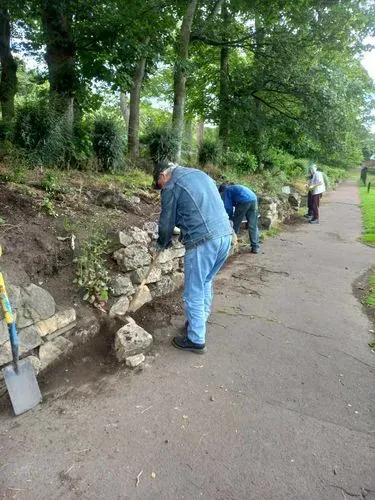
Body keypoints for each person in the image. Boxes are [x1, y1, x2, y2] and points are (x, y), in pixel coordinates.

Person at [155, 164, 232, 354]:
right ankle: (199, 320)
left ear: (163, 175)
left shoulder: (172, 184)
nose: (160, 189)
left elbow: (166, 221)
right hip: (225, 235)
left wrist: (163, 243)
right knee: (205, 281)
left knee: (193, 291)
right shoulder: (200, 175)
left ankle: (196, 339)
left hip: (203, 241)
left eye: (159, 185)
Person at [218, 183, 260, 254]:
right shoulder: (235, 188)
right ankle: (255, 247)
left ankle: (232, 245)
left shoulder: (227, 191)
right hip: (254, 199)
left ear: (222, 191)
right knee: (253, 224)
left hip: (243, 201)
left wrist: (229, 219)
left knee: (235, 224)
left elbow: (228, 207)